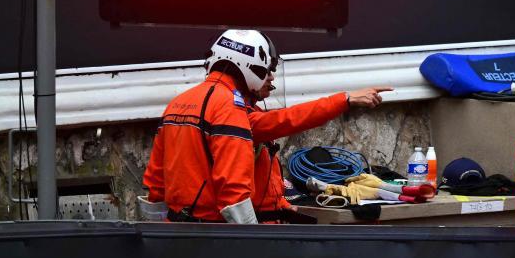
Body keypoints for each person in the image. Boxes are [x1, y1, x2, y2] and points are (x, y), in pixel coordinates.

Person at [243, 35, 390, 221]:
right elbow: (291, 118)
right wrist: (345, 99)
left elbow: (264, 181)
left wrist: (282, 204)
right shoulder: (242, 116)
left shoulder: (250, 110)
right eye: (266, 71)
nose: (272, 77)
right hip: (254, 228)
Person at [142, 30, 267, 223]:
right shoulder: (230, 107)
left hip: (172, 228)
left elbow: (156, 182)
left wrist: (159, 232)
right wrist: (252, 236)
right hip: (210, 232)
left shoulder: (176, 103)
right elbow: (234, 192)